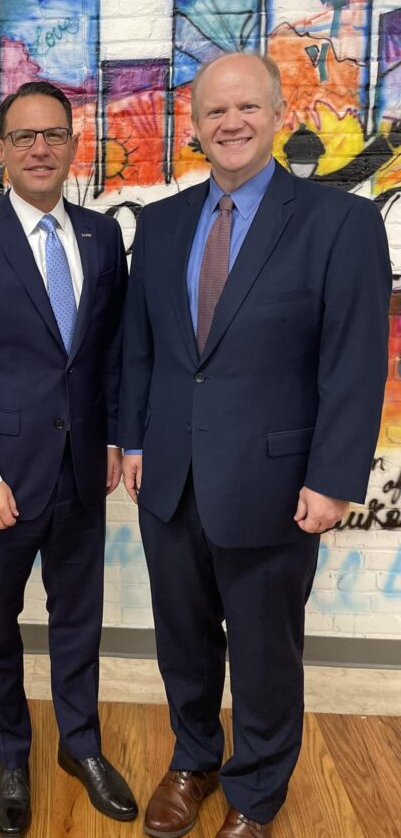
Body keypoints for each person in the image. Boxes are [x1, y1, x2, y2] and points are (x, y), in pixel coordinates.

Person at [119, 51, 391, 838]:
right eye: (214, 112)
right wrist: (134, 440)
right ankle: (195, 758)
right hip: (170, 479)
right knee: (183, 639)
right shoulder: (165, 224)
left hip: (275, 485)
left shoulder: (340, 222)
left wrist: (335, 478)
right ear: (194, 126)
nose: (230, 123)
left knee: (267, 655)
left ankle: (257, 793)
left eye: (247, 108)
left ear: (279, 115)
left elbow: (355, 360)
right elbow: (144, 348)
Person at [0, 81, 136, 836]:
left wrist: (114, 436)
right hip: (0, 484)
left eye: (53, 135)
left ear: (74, 145)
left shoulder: (100, 236)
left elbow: (109, 352)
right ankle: (12, 752)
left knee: (79, 622)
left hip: (82, 472)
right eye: (24, 137)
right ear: (3, 151)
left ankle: (79, 745)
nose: (40, 148)